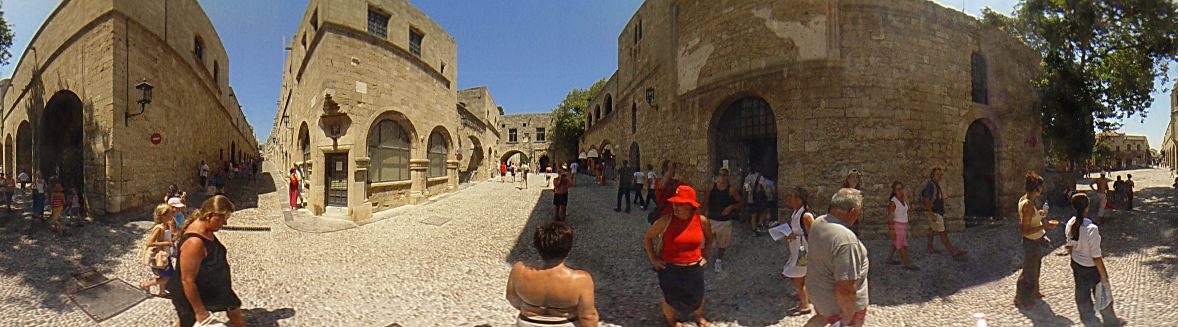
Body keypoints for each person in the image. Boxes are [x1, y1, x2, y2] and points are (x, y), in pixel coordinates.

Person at [166, 195, 245, 327]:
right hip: (190, 293)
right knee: (187, 322)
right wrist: (200, 311)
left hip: (210, 286)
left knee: (233, 307)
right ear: (210, 216)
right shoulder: (194, 243)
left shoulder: (205, 228)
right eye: (223, 219)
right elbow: (187, 280)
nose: (225, 223)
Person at [643, 185, 713, 326]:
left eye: (680, 204)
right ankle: (672, 321)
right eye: (674, 203)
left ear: (690, 205)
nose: (675, 206)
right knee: (670, 298)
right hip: (670, 268)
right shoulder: (665, 221)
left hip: (694, 266)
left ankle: (699, 317)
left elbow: (710, 238)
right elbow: (648, 238)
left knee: (697, 296)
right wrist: (653, 259)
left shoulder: (701, 221)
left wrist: (705, 255)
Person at [506, 221, 599, 327]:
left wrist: (533, 308)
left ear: (537, 246)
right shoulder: (580, 280)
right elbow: (588, 316)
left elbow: (511, 297)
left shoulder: (519, 270)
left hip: (527, 322)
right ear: (568, 249)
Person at [805, 188, 870, 327]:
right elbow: (845, 288)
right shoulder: (845, 239)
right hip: (839, 307)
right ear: (852, 212)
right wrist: (847, 318)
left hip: (819, 295)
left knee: (821, 319)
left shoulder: (819, 222)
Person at [1065, 193, 1126, 326]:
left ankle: (1089, 320)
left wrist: (1076, 259)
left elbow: (1069, 247)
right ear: (1087, 207)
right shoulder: (1092, 229)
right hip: (1091, 268)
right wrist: (1104, 276)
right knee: (1102, 294)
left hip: (1077, 265)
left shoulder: (1070, 224)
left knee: (1082, 294)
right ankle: (1111, 322)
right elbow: (1096, 257)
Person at [1014, 171, 1059, 308]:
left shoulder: (1026, 200)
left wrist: (1039, 215)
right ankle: (1022, 299)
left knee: (1035, 267)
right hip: (1031, 241)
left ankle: (1034, 292)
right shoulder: (1027, 205)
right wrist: (1045, 225)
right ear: (1037, 189)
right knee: (1029, 271)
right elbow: (1025, 230)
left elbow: (1031, 220)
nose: (1042, 190)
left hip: (1036, 240)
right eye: (1040, 188)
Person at [781, 187, 815, 317]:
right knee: (799, 275)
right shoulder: (796, 212)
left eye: (793, 197)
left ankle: (805, 304)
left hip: (803, 250)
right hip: (796, 248)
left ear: (799, 199)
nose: (790, 199)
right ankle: (803, 296)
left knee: (797, 277)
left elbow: (813, 233)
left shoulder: (805, 215)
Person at [702, 168, 742, 273]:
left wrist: (731, 207)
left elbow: (740, 202)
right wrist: (702, 215)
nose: (722, 177)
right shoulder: (711, 187)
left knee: (722, 243)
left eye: (724, 175)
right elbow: (706, 201)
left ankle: (718, 260)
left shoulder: (731, 190)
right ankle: (703, 259)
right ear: (717, 176)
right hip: (711, 219)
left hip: (724, 221)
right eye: (720, 175)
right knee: (705, 241)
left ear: (727, 177)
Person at [921, 168, 966, 257]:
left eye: (940, 174)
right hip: (935, 213)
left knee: (932, 229)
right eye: (937, 174)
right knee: (943, 233)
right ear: (932, 175)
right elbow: (926, 200)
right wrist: (931, 214)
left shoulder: (935, 185)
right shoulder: (931, 186)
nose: (939, 176)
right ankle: (953, 251)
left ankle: (930, 248)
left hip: (936, 212)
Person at [141, 203, 177, 297]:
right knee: (169, 277)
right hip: (159, 255)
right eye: (170, 213)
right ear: (164, 215)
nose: (172, 215)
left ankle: (162, 291)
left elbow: (172, 236)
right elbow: (149, 243)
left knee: (163, 275)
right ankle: (145, 285)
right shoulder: (158, 228)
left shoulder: (167, 225)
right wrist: (165, 243)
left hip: (165, 254)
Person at [885, 181, 918, 270]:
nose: (900, 191)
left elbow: (909, 210)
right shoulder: (893, 202)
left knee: (896, 243)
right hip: (897, 225)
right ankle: (907, 264)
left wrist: (906, 200)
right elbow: (890, 217)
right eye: (898, 189)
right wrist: (892, 230)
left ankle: (888, 259)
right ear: (894, 190)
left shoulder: (903, 199)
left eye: (901, 189)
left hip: (903, 225)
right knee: (902, 246)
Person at [745, 168, 776, 234]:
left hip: (751, 199)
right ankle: (759, 226)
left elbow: (746, 187)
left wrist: (750, 193)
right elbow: (764, 187)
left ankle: (754, 230)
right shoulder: (760, 177)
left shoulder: (748, 177)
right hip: (759, 199)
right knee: (763, 211)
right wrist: (768, 196)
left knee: (753, 214)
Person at [842, 170, 863, 236]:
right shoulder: (843, 192)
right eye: (853, 177)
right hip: (845, 221)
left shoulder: (859, 193)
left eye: (856, 177)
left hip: (855, 222)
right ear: (848, 179)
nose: (855, 179)